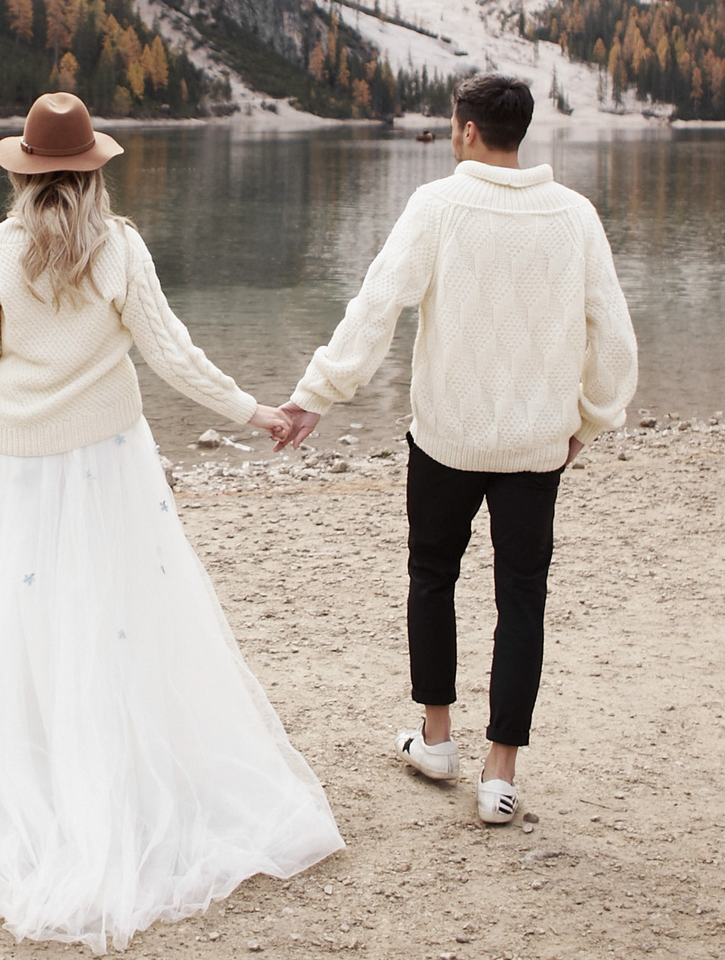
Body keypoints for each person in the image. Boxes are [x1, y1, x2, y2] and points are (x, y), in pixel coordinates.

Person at [0, 92, 341, 951]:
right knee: (112, 620)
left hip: (19, 469)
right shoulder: (119, 248)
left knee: (22, 624)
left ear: (24, 171)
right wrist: (255, 410)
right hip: (111, 465)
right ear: (94, 170)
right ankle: (111, 778)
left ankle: (33, 771)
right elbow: (173, 353)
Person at [272, 72, 637, 826]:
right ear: (520, 132)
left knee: (433, 576)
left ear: (467, 130)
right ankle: (500, 773)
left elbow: (378, 305)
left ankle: (436, 739)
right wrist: (588, 421)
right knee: (522, 596)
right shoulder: (574, 215)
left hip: (445, 438)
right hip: (537, 445)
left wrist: (316, 394)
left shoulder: (437, 205)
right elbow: (616, 338)